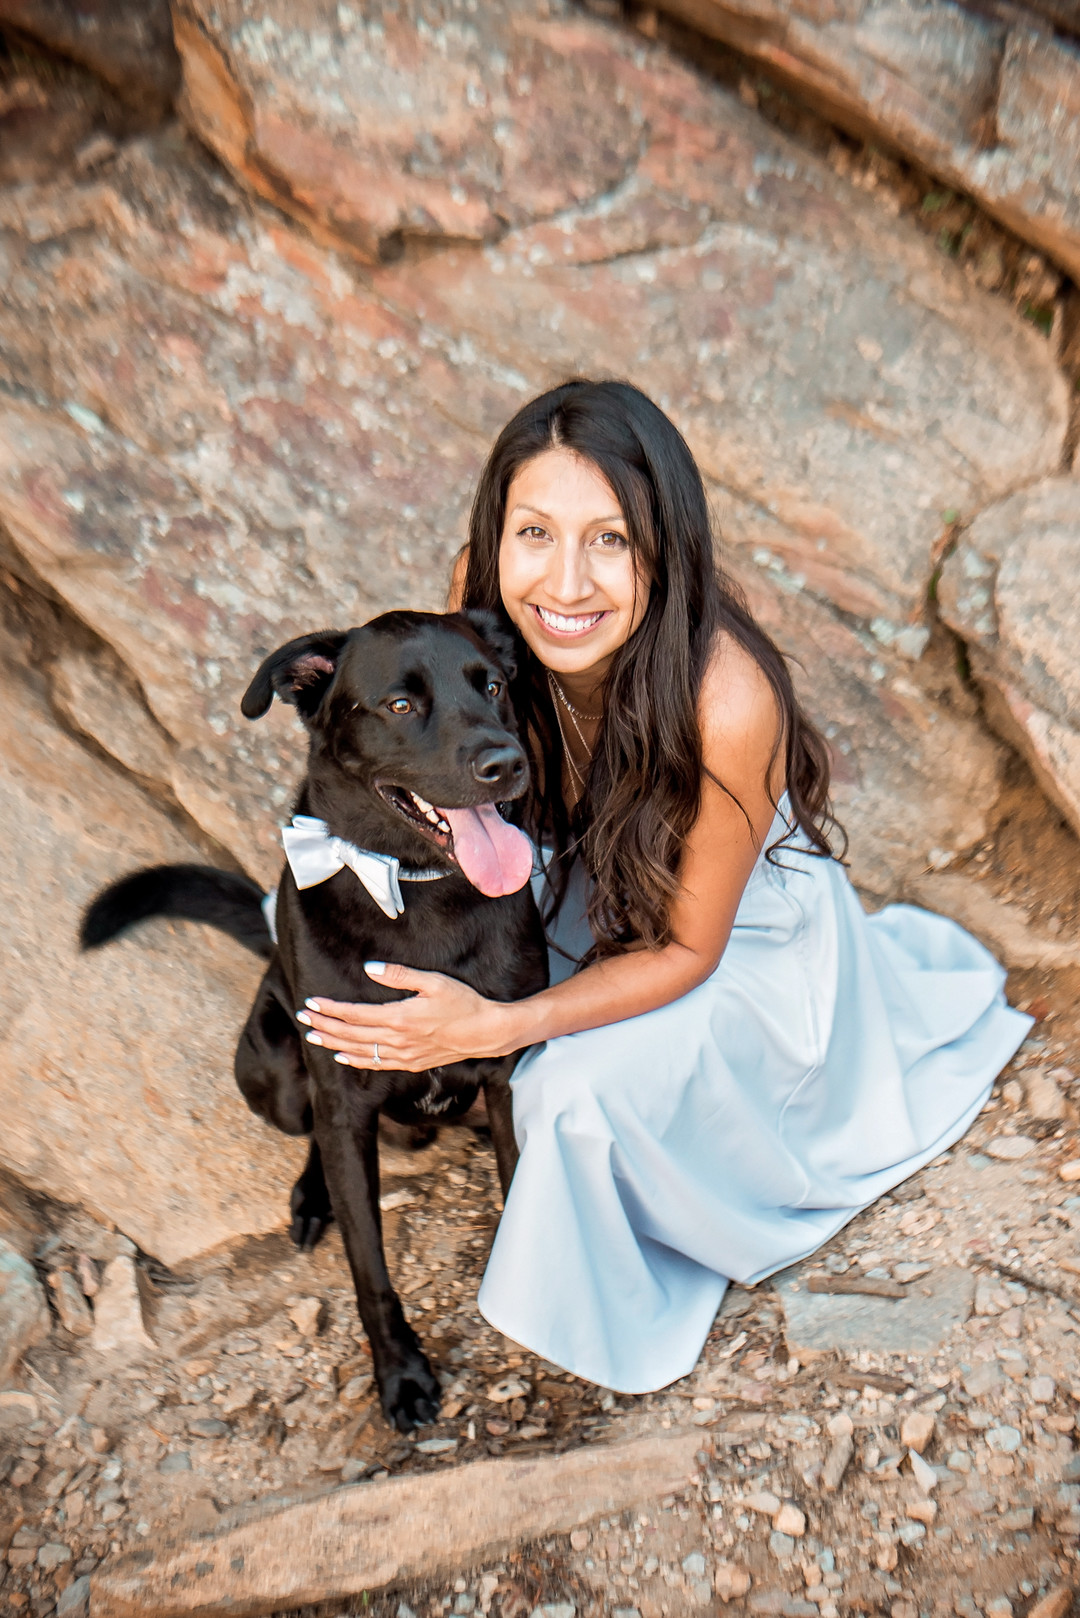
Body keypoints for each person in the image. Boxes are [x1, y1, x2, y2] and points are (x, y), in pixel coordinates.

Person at [298, 379, 1030, 1393]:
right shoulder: (481, 597)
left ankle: (621, 1289)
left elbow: (690, 947)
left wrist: (496, 1026)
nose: (563, 582)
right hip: (569, 869)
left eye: (610, 541)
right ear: (495, 537)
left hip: (727, 931)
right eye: (536, 533)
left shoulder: (727, 698)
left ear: (665, 547)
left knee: (561, 1087)